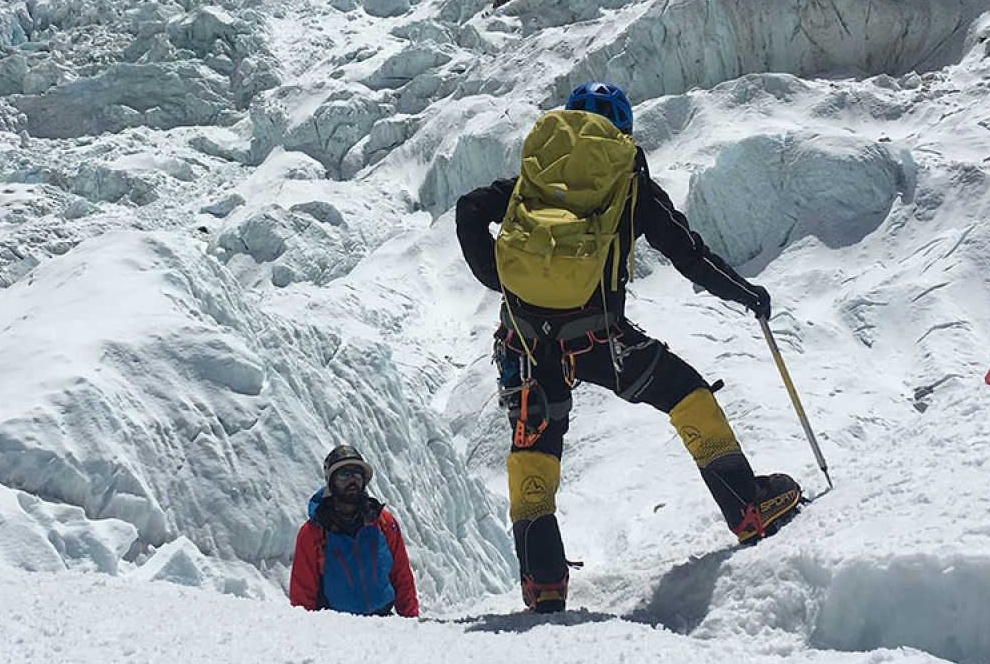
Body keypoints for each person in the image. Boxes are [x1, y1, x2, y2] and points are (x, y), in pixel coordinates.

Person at [455, 81, 801, 613]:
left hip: (523, 344)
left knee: (533, 456)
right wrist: (747, 294)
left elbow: (470, 208)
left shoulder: (539, 173)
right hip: (601, 340)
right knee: (688, 396)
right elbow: (688, 254)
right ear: (624, 131)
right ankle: (745, 507)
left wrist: (495, 277)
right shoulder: (627, 179)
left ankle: (543, 581)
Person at [288, 444, 420, 617]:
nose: (352, 481)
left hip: (384, 624)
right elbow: (303, 593)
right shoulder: (313, 533)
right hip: (337, 629)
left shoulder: (383, 522)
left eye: (357, 475)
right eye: (344, 475)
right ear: (331, 483)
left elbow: (401, 576)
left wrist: (410, 623)